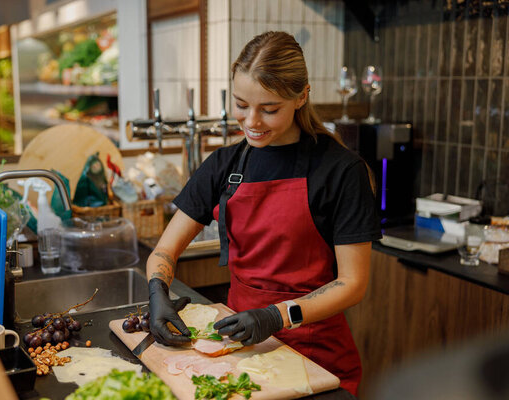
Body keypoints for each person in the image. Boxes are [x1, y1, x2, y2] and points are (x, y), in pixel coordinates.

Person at [146, 31, 381, 395]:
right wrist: (158, 291)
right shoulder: (223, 165)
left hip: (316, 356)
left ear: (302, 96)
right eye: (242, 105)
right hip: (238, 348)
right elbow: (165, 250)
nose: (252, 121)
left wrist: (277, 316)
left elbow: (353, 284)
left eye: (269, 109)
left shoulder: (341, 171)